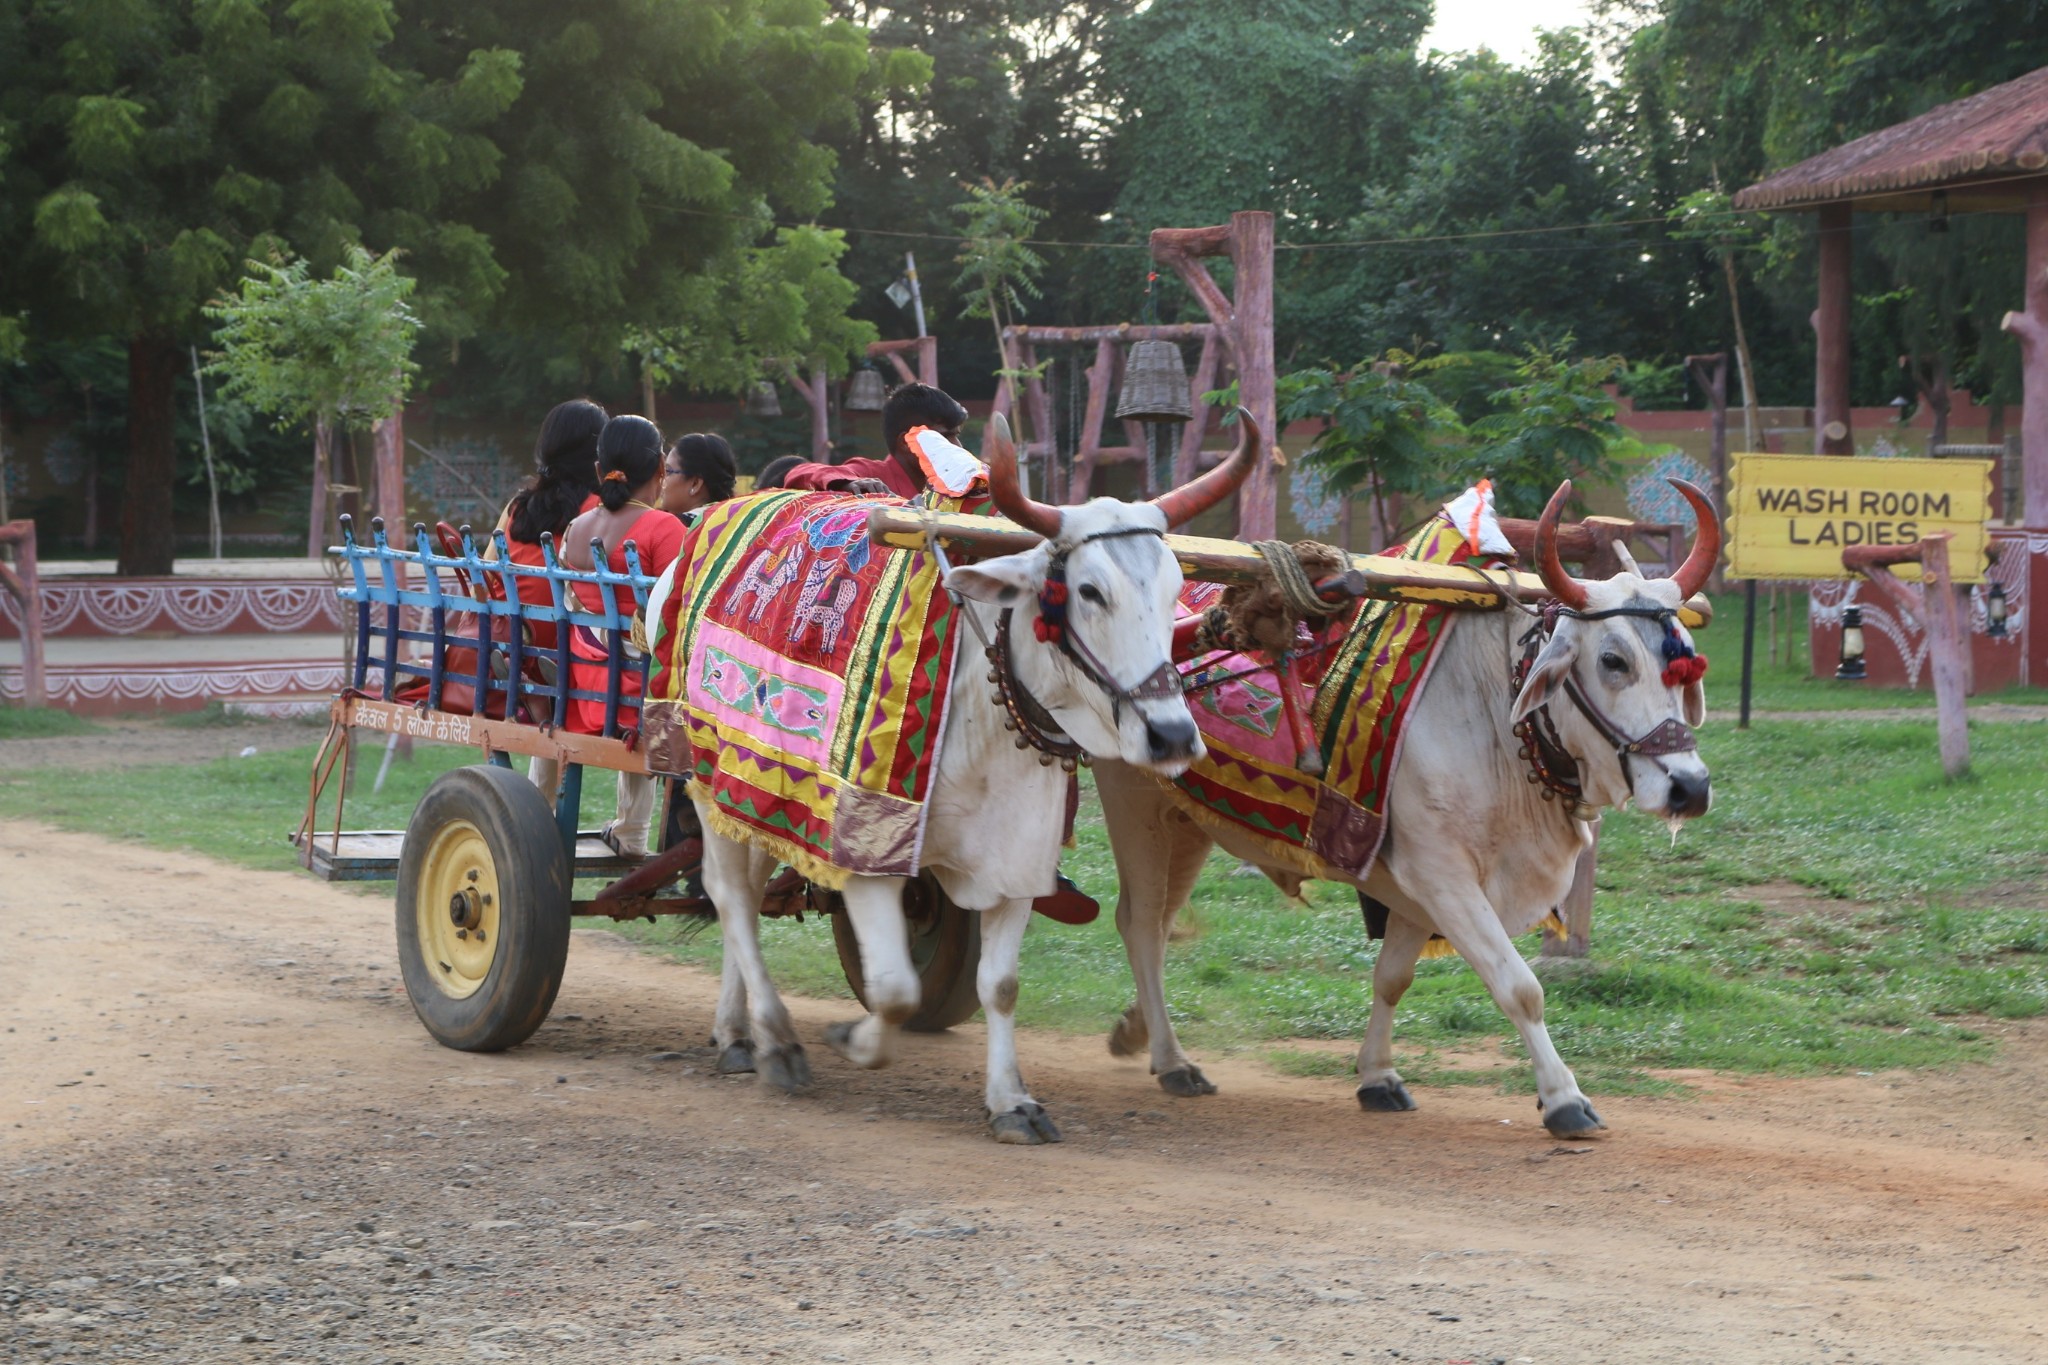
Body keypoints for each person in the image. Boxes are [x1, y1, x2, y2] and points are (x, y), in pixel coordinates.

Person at [561, 415, 689, 858]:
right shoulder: (664, 529)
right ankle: (632, 832)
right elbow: (679, 612)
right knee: (659, 661)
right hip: (636, 689)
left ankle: (611, 825)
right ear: (659, 467)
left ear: (599, 471)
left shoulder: (576, 528)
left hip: (582, 680)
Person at [775, 382, 970, 498]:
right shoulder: (870, 477)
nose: (957, 447)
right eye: (944, 437)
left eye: (956, 436)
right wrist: (845, 484)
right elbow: (801, 472)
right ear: (906, 443)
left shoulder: (952, 487)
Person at [660, 433, 739, 522]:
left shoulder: (675, 529)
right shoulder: (737, 523)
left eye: (668, 471)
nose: (661, 478)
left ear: (695, 483)